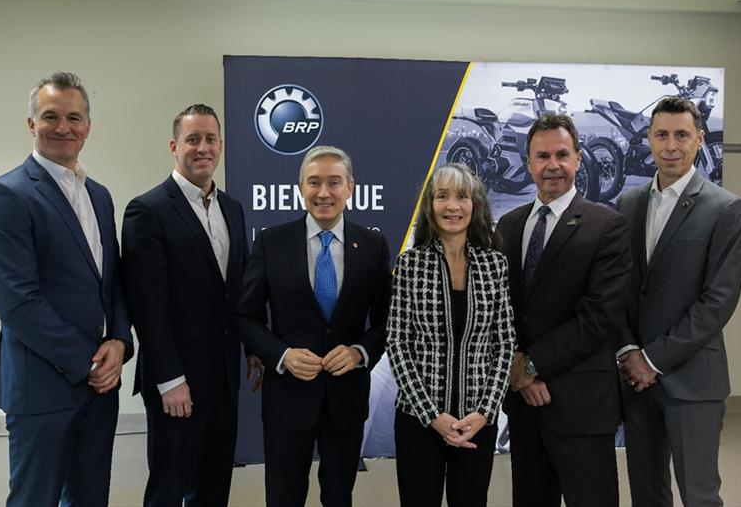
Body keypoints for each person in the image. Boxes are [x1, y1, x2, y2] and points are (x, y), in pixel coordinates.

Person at [0, 71, 133, 506]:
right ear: (31, 124)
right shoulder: (5, 196)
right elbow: (18, 303)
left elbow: (112, 278)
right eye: (50, 116)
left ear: (88, 126)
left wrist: (119, 341)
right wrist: (89, 362)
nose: (63, 127)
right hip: (42, 387)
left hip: (100, 386)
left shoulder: (98, 195)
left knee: (89, 497)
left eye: (74, 117)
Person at [237, 145, 392, 507]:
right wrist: (281, 355)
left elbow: (387, 321)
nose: (324, 193)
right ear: (301, 188)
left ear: (350, 188)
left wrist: (359, 352)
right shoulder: (271, 242)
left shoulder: (372, 244)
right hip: (288, 397)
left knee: (339, 497)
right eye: (314, 183)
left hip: (346, 398)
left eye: (334, 182)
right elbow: (246, 317)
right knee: (283, 497)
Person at [121, 104, 260, 506]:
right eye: (193, 139)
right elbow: (146, 305)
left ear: (220, 145)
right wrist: (170, 379)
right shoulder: (147, 210)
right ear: (174, 146)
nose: (203, 148)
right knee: (169, 486)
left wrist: (252, 348)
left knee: (214, 486)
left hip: (223, 379)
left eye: (210, 139)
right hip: (176, 384)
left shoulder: (232, 208)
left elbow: (240, 291)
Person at [616, 97, 741, 507]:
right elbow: (618, 287)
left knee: (699, 495)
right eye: (661, 134)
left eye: (681, 135)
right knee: (647, 492)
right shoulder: (628, 203)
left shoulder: (726, 208)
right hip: (636, 382)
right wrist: (627, 350)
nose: (670, 145)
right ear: (649, 140)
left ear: (699, 140)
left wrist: (652, 359)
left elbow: (718, 301)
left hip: (692, 381)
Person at [495, 113, 632, 507]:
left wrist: (530, 366)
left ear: (578, 158)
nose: (552, 165)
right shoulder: (509, 224)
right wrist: (516, 372)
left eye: (562, 154)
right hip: (524, 406)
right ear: (528, 163)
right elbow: (501, 309)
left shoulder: (607, 226)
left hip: (581, 406)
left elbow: (599, 317)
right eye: (542, 156)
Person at [386, 163, 516, 506]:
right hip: (419, 421)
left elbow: (504, 344)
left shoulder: (495, 265)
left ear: (475, 205)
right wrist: (432, 416)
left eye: (462, 196)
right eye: (442, 196)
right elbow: (397, 344)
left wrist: (485, 412)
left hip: (478, 422)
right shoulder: (410, 265)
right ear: (430, 206)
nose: (452, 206)